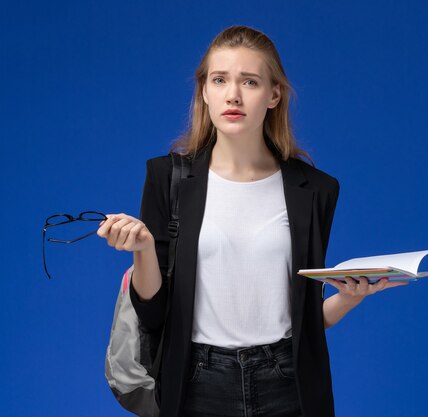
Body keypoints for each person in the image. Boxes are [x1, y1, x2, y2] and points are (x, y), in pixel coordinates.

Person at [97, 25, 407, 417]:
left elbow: (304, 322)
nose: (233, 94)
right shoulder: (168, 179)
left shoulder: (315, 189)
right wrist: (142, 249)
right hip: (196, 383)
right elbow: (155, 312)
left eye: (250, 81)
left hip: (287, 383)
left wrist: (348, 299)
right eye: (220, 79)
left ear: (274, 94)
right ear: (205, 92)